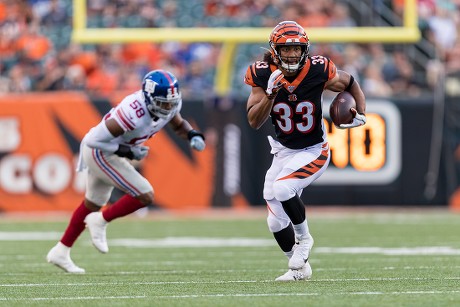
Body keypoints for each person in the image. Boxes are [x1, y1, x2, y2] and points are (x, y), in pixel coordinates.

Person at [46, 69, 206, 273]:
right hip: (99, 151)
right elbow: (93, 140)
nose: (169, 106)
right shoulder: (133, 112)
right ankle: (101, 220)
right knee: (145, 195)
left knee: (92, 203)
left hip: (109, 152)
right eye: (164, 102)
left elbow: (176, 122)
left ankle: (60, 251)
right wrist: (128, 151)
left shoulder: (168, 104)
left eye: (171, 101)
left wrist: (192, 134)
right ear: (149, 98)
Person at [244, 21, 366, 281]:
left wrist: (362, 113)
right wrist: (270, 94)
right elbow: (254, 121)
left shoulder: (318, 70)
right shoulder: (262, 74)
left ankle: (304, 238)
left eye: (297, 49)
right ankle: (299, 269)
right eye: (285, 50)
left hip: (314, 150)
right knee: (275, 221)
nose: (291, 55)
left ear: (305, 50)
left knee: (283, 188)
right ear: (274, 51)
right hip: (284, 151)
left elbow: (350, 82)